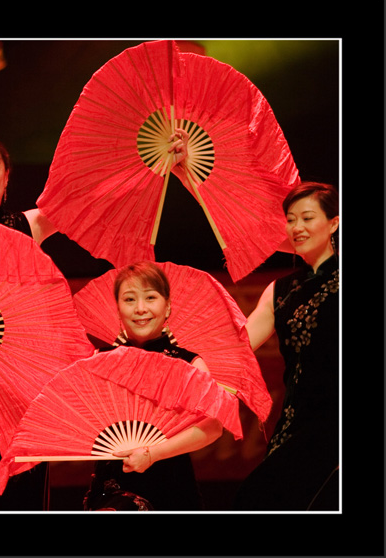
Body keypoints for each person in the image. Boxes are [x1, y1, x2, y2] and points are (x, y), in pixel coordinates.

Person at [82, 261, 224, 511]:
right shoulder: (97, 361)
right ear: (117, 308)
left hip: (170, 484)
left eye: (150, 297)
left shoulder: (190, 364)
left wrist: (153, 454)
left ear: (167, 305)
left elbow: (212, 427)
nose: (140, 308)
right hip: (112, 488)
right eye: (129, 299)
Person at [233, 182, 339, 511]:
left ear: (334, 223)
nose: (297, 228)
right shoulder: (280, 289)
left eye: (307, 218)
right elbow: (238, 346)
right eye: (291, 220)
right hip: (294, 427)